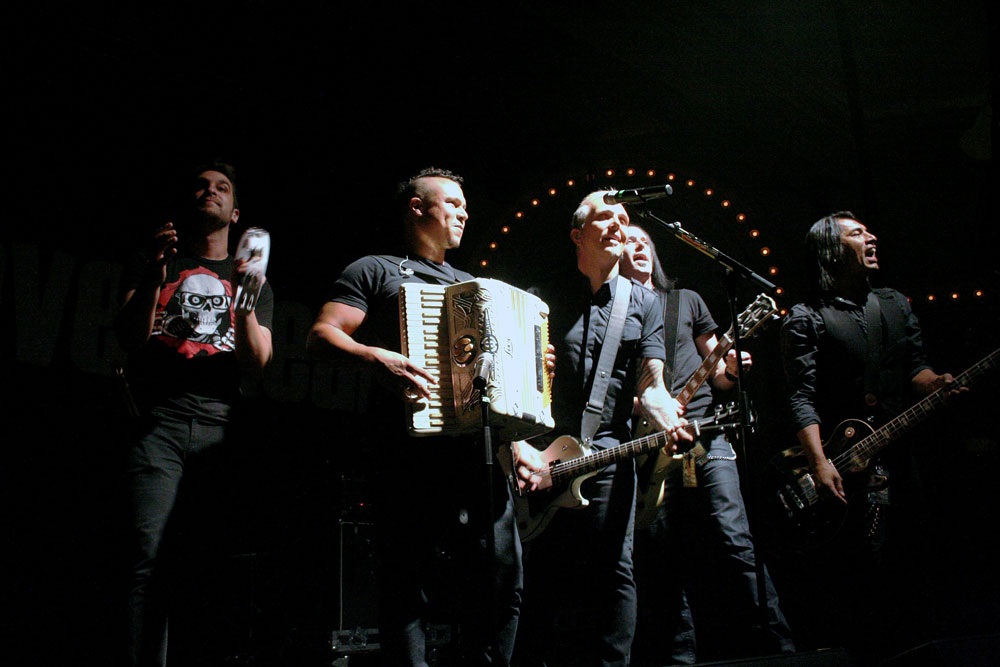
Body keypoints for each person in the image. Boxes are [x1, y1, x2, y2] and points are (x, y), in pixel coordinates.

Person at [307, 167, 523, 666]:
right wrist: (376, 356)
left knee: (500, 580)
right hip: (407, 452)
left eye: (465, 205)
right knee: (409, 587)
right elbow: (322, 333)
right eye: (451, 202)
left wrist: (532, 368)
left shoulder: (475, 286)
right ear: (416, 207)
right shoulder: (374, 269)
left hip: (476, 456)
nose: (463, 212)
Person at [511, 192, 690, 667]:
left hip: (609, 453)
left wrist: (662, 407)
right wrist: (522, 447)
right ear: (578, 234)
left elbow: (652, 381)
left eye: (625, 218)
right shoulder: (540, 296)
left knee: (615, 571)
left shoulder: (645, 302)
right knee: (541, 577)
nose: (619, 224)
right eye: (605, 216)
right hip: (540, 455)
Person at [779, 211, 963, 660]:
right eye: (857, 233)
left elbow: (914, 367)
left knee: (915, 559)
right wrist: (820, 462)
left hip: (902, 456)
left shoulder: (896, 303)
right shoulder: (806, 318)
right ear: (831, 250)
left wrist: (936, 383)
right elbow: (801, 397)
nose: (871, 236)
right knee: (863, 570)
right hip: (847, 464)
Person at [115, 162, 274, 666]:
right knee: (147, 562)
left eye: (222, 188)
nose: (211, 193)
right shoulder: (154, 260)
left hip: (218, 429)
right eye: (202, 187)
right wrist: (155, 276)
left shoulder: (254, 281)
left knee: (208, 567)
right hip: (158, 425)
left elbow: (259, 365)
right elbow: (126, 340)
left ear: (236, 211)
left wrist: (246, 302)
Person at [619, 224, 794, 664]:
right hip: (646, 447)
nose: (636, 246)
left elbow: (717, 374)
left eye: (644, 241)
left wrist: (732, 369)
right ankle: (680, 657)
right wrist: (644, 409)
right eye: (626, 241)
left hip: (706, 435)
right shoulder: (614, 313)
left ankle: (781, 649)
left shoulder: (686, 301)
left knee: (733, 537)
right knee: (661, 558)